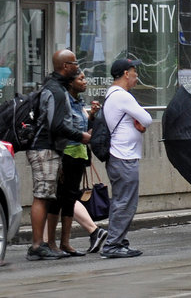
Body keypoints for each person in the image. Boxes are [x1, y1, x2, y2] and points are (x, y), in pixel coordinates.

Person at [26, 49, 90, 261]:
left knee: (48, 196)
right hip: (44, 148)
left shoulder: (55, 88)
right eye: (74, 63)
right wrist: (80, 136)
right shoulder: (55, 90)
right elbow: (56, 124)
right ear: (65, 67)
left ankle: (46, 244)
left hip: (49, 148)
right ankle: (37, 245)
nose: (78, 67)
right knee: (42, 196)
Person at [101, 56, 153, 259]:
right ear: (125, 74)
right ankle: (113, 244)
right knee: (125, 202)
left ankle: (119, 241)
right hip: (124, 156)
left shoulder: (113, 95)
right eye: (134, 72)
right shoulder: (122, 96)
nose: (137, 76)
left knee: (122, 201)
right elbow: (147, 118)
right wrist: (139, 121)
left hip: (120, 156)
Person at [50, 71, 99, 256]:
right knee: (58, 199)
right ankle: (52, 244)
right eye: (81, 79)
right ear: (70, 83)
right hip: (66, 153)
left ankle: (65, 243)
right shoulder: (65, 101)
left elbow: (83, 127)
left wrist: (92, 116)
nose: (85, 82)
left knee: (70, 198)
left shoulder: (78, 102)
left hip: (79, 154)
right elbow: (62, 127)